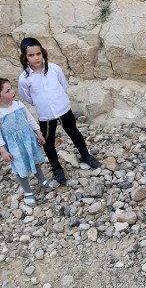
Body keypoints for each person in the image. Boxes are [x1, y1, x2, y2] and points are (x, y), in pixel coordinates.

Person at [18, 37, 101, 185]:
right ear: (25, 57)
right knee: (48, 142)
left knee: (74, 132)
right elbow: (28, 97)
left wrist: (59, 101)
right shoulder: (24, 78)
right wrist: (42, 104)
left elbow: (63, 85)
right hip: (46, 116)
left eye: (38, 53)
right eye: (31, 55)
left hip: (63, 109)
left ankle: (85, 155)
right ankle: (56, 167)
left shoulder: (54, 68)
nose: (36, 58)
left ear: (43, 53)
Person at [0, 78, 59, 206]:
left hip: (28, 140)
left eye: (11, 88)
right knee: (20, 167)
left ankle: (42, 180)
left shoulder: (19, 104)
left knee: (34, 160)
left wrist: (38, 133)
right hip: (14, 146)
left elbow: (30, 119)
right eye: (7, 91)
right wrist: (3, 151)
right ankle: (27, 192)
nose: (12, 92)